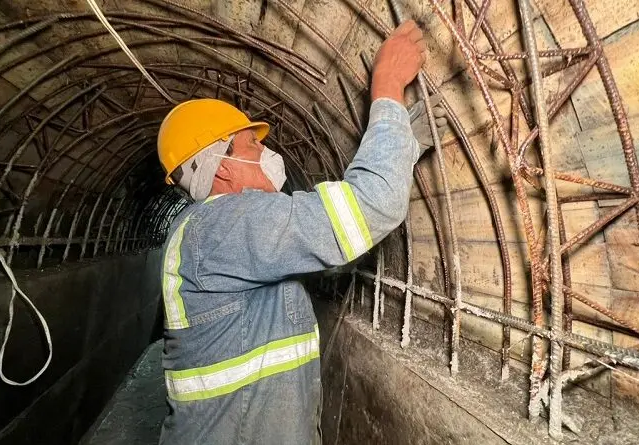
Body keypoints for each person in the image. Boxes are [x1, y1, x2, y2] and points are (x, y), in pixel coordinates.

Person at [154, 20, 448, 445]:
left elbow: (326, 256)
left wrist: (403, 138)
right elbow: (371, 205)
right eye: (251, 145)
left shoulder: (215, 236)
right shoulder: (225, 225)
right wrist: (387, 89)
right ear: (222, 168)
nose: (267, 151)